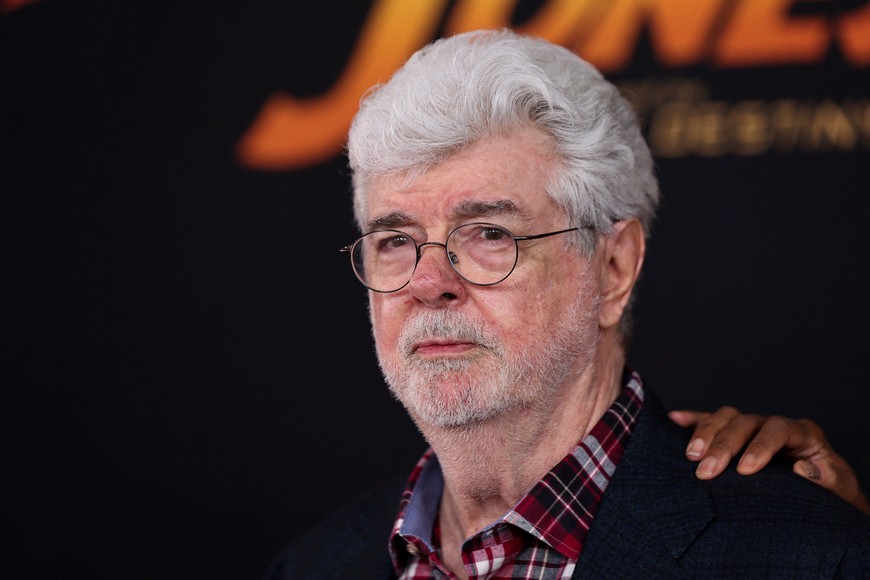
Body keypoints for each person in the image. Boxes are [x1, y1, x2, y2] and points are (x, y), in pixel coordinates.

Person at [267, 29, 870, 578]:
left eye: (488, 233)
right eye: (395, 241)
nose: (428, 282)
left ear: (613, 269)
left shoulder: (807, 557)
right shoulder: (313, 568)